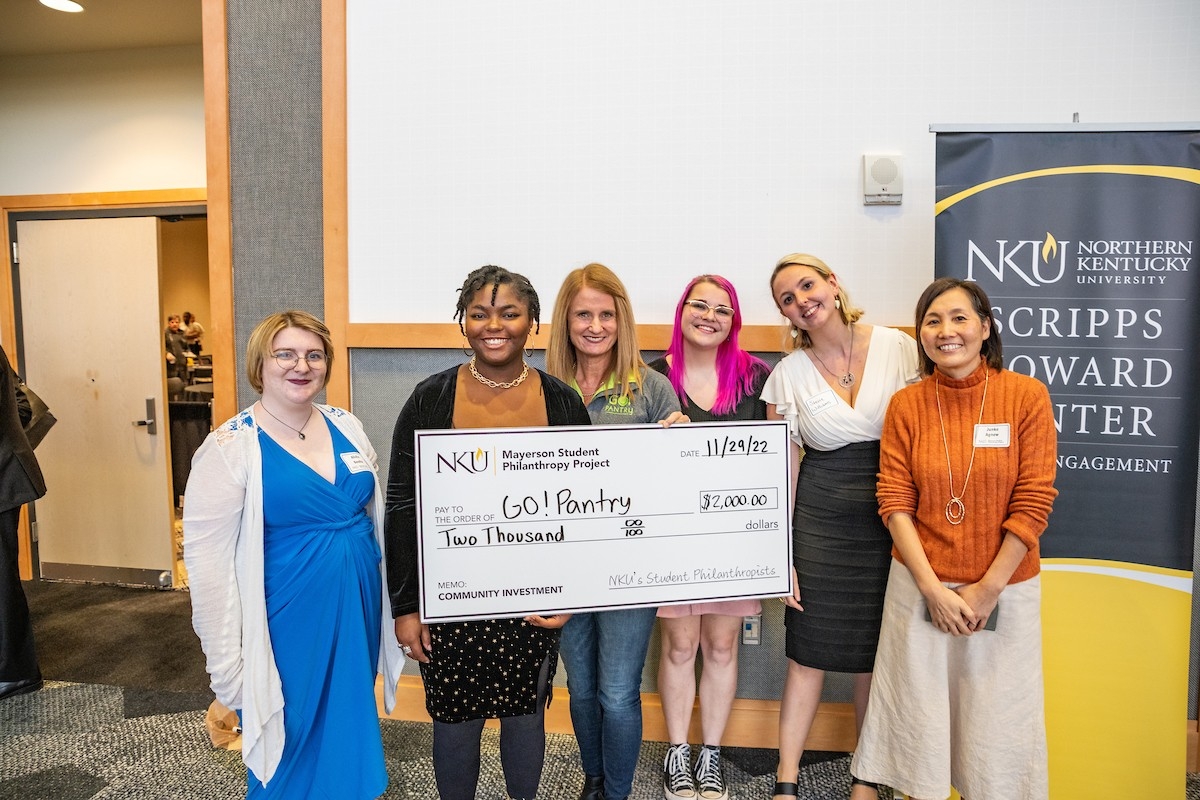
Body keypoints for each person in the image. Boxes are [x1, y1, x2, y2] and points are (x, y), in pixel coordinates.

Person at [849, 279, 1057, 800]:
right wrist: (933, 590)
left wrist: (986, 589)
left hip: (1005, 587)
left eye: (960, 319)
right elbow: (894, 502)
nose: (947, 332)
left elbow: (1034, 501)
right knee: (918, 719)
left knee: (998, 720)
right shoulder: (906, 404)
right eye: (933, 321)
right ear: (920, 335)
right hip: (919, 584)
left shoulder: (1026, 396)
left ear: (985, 328)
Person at [386, 265, 590, 800]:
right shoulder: (430, 398)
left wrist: (571, 594)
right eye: (478, 314)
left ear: (533, 323)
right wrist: (406, 607)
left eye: (508, 313)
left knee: (525, 716)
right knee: (454, 721)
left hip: (533, 596)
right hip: (451, 596)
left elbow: (585, 511)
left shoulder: (563, 402)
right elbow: (402, 504)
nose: (492, 325)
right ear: (463, 322)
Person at [184, 310, 403, 799]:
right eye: (284, 354)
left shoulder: (347, 425)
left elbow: (374, 520)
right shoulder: (229, 448)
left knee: (346, 728)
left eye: (313, 354)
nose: (300, 365)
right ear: (260, 364)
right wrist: (227, 673)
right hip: (284, 627)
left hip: (356, 615)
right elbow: (208, 570)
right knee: (287, 741)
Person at [759, 254, 919, 800]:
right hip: (820, 523)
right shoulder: (787, 375)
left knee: (875, 656)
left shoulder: (899, 348)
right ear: (785, 313)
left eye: (808, 285)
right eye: (788, 297)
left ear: (832, 283)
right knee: (807, 654)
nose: (803, 299)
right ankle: (785, 780)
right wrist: (781, 555)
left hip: (894, 519)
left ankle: (866, 775)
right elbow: (784, 468)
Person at [545, 262, 687, 800]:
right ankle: (594, 779)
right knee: (579, 689)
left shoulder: (652, 389)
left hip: (631, 567)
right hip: (564, 565)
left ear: (621, 320)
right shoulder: (544, 388)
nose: (596, 325)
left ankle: (619, 792)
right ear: (567, 320)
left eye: (607, 314)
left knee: (618, 692)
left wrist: (681, 442)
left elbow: (674, 484)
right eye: (584, 314)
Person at [648, 275, 771, 800]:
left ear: (733, 321)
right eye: (700, 304)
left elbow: (777, 454)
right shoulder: (651, 378)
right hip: (672, 537)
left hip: (734, 537)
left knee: (722, 645)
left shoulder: (757, 377)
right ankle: (678, 752)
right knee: (679, 646)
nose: (710, 316)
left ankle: (712, 754)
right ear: (681, 311)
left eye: (723, 309)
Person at [0, 346, 47, 702]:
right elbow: (23, 405)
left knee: (2, 581)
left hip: (2, 479)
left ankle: (15, 673)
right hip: (6, 472)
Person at [165, 314, 188, 383]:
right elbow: (160, 348)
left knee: (184, 385)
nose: (174, 324)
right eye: (172, 322)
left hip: (182, 366)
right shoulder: (165, 334)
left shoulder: (182, 334)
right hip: (171, 367)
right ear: (169, 323)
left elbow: (186, 347)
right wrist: (166, 353)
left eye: (177, 322)